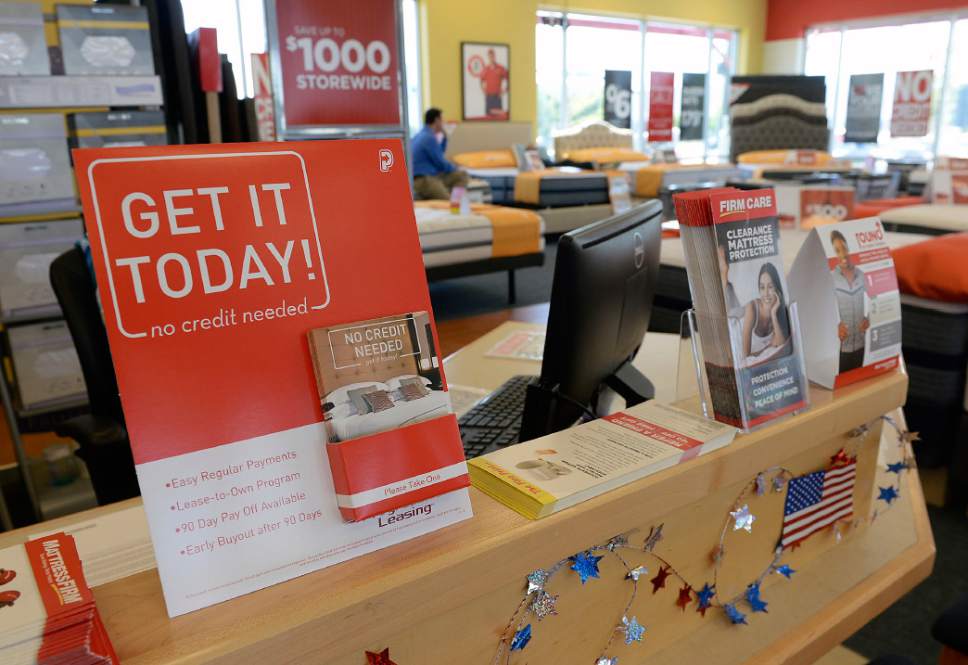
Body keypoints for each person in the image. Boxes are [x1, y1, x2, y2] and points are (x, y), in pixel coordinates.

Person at [830, 229, 868, 372]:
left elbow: (876, 301)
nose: (842, 254)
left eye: (844, 248)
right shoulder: (830, 278)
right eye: (837, 251)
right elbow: (822, 310)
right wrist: (834, 326)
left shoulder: (862, 275)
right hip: (842, 348)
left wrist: (869, 318)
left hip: (862, 344)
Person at [410, 108, 468, 200]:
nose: (443, 123)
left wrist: (445, 137)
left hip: (423, 177)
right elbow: (441, 163)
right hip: (424, 179)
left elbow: (439, 153)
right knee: (448, 202)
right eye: (442, 120)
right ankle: (454, 203)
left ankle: (455, 200)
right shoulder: (428, 138)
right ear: (437, 120)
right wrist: (455, 167)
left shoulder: (420, 135)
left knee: (461, 175)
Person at [741, 262, 791, 363]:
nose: (766, 294)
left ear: (777, 288)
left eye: (770, 287)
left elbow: (781, 346)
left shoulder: (781, 311)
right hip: (740, 347)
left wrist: (773, 314)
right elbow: (746, 356)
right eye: (762, 288)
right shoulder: (751, 308)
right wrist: (767, 348)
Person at [479, 48, 508, 117]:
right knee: (488, 118)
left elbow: (509, 80)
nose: (491, 58)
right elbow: (481, 81)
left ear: (495, 56)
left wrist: (504, 91)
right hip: (489, 98)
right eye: (490, 56)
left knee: (499, 118)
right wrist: (484, 91)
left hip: (497, 98)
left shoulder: (501, 68)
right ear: (488, 57)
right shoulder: (485, 69)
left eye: (493, 56)